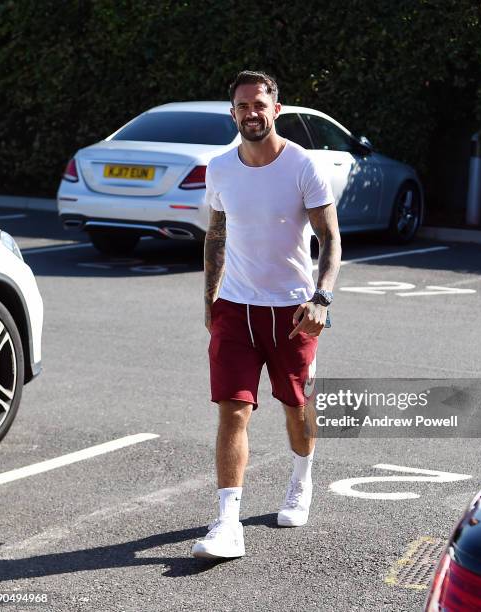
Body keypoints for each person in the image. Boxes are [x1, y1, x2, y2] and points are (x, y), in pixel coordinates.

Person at [191, 70, 341, 559]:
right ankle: (227, 522)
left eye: (259, 104)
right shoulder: (219, 167)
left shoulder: (302, 165)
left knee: (296, 408)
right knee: (233, 411)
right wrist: (209, 300)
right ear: (231, 112)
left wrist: (321, 299)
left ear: (276, 109)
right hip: (236, 309)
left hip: (292, 311)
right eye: (241, 106)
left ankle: (302, 479)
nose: (250, 113)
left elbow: (331, 239)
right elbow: (216, 233)